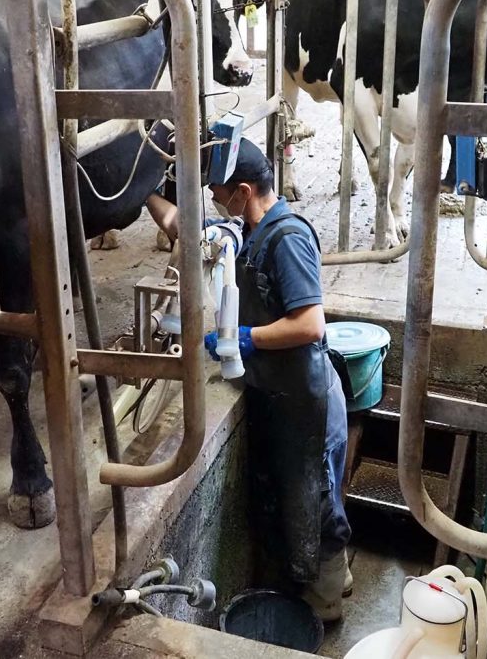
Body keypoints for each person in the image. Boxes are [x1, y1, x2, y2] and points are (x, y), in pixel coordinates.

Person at [203, 137, 352, 622]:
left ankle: (326, 601)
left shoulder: (286, 238)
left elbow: (311, 324)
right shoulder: (254, 229)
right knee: (300, 494)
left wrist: (246, 337)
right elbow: (186, 229)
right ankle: (335, 578)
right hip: (283, 392)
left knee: (316, 497)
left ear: (243, 191)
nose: (214, 201)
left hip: (307, 397)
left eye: (217, 192)